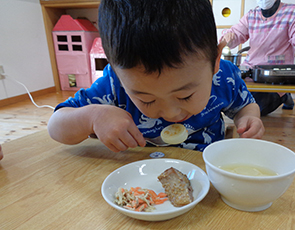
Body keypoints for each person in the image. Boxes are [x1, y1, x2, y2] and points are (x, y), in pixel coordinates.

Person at [47, 0, 265, 152]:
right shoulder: (114, 85)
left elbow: (245, 106)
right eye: (147, 99)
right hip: (140, 181)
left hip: (205, 175)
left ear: (214, 61)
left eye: (186, 96)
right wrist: (92, 118)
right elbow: (56, 126)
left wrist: (248, 119)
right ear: (116, 71)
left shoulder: (223, 77)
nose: (170, 113)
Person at [221, 0, 295, 116]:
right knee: (231, 100)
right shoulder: (252, 15)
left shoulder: (293, 12)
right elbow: (235, 33)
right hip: (252, 70)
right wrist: (228, 38)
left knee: (255, 109)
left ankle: (284, 95)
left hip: (276, 74)